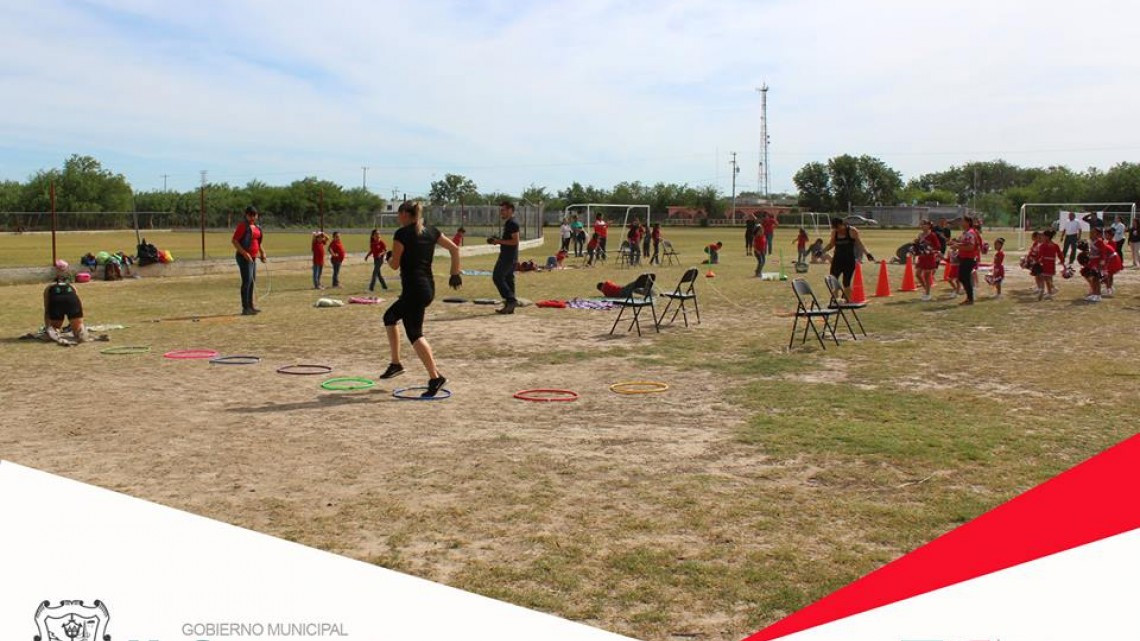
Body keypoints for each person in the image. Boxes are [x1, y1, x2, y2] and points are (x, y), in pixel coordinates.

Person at [378, 201, 462, 397]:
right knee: (390, 317)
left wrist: (387, 257)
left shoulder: (402, 234)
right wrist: (454, 273)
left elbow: (395, 265)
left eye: (399, 214)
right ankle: (396, 364)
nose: (398, 218)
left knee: (415, 334)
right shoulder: (431, 231)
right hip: (426, 288)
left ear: (405, 214)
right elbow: (455, 249)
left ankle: (435, 377)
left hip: (414, 290)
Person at [823, 217, 874, 301]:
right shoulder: (834, 232)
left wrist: (867, 254)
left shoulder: (852, 231)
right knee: (833, 280)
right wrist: (822, 251)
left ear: (842, 224)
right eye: (835, 228)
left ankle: (849, 300)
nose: (837, 230)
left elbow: (859, 243)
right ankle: (835, 300)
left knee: (846, 283)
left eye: (838, 227)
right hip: (837, 260)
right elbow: (831, 244)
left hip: (849, 260)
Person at [231, 205, 266, 315]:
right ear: (246, 215)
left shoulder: (256, 227)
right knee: (247, 281)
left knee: (252, 281)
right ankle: (245, 308)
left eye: (254, 215)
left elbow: (257, 242)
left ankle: (251, 306)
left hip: (253, 257)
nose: (252, 217)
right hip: (244, 258)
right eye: (250, 215)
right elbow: (235, 241)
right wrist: (245, 253)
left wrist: (262, 252)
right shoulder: (243, 226)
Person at [43, 260, 86, 343]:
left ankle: (54, 332)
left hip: (56, 302)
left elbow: (47, 310)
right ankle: (80, 332)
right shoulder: (72, 287)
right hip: (72, 301)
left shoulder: (49, 288)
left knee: (54, 328)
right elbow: (77, 302)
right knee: (78, 328)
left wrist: (47, 327)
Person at [490, 200, 521, 314]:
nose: (501, 212)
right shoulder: (509, 223)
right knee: (508, 279)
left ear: (510, 210)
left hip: (508, 256)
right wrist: (497, 240)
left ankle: (511, 300)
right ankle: (509, 306)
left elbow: (515, 241)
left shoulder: (512, 223)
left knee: (497, 277)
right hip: (509, 255)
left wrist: (498, 241)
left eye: (503, 210)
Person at [949, 216, 981, 305]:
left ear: (968, 222)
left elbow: (970, 247)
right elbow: (965, 244)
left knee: (964, 278)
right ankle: (970, 297)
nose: (961, 223)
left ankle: (970, 298)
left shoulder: (970, 233)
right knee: (962, 277)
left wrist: (957, 246)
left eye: (963, 221)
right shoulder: (965, 233)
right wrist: (956, 243)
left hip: (969, 258)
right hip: (964, 258)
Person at [914, 220, 943, 301]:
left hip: (929, 257)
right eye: (921, 224)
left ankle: (928, 294)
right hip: (921, 257)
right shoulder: (920, 235)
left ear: (929, 226)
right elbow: (918, 246)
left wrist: (930, 247)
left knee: (926, 276)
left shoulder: (932, 235)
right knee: (918, 274)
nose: (922, 226)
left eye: (924, 224)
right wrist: (916, 243)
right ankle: (926, 289)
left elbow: (938, 246)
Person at [1036, 230, 1061, 300]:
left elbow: (1040, 255)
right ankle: (1049, 293)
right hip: (1052, 263)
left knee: (1044, 277)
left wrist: (1037, 261)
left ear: (1047, 237)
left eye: (1043, 236)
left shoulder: (1043, 245)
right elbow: (1060, 254)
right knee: (1049, 277)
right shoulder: (1055, 245)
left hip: (1045, 263)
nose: (1042, 238)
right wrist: (1062, 261)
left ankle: (1048, 289)